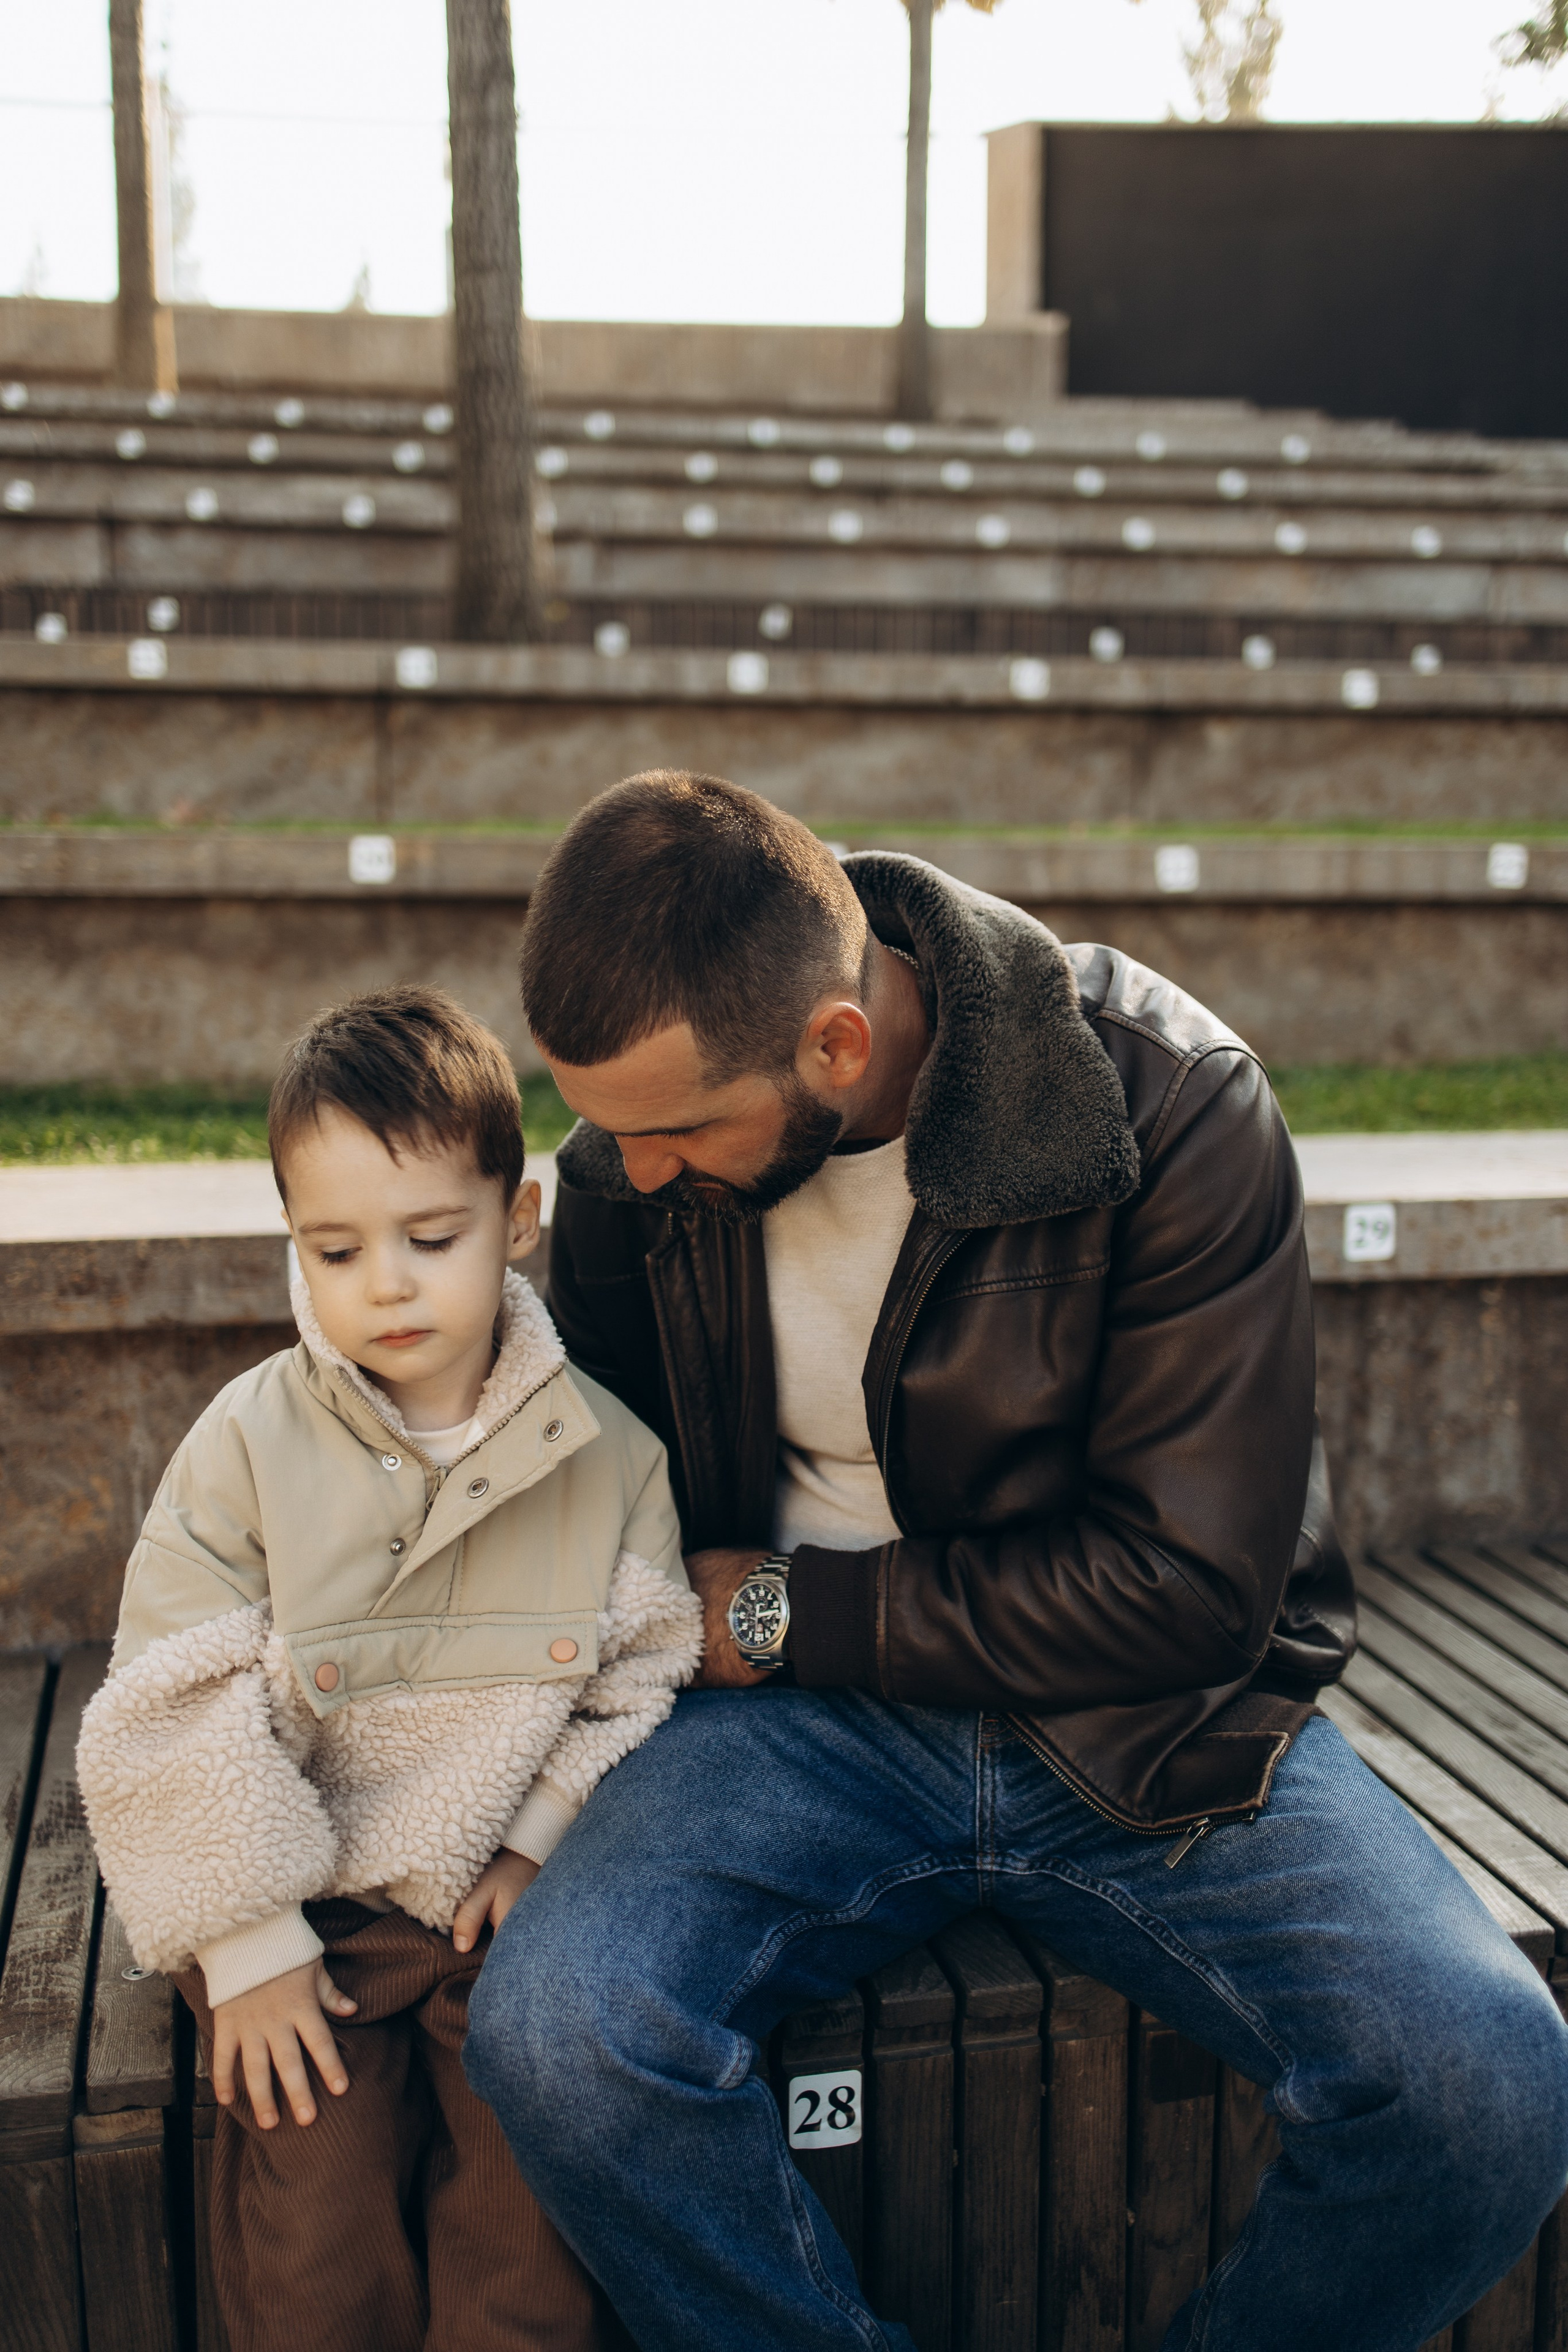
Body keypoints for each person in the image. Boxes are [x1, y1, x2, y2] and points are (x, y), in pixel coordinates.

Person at [464, 772, 1568, 2352]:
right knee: (561, 2039)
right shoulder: (622, 1177)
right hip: (793, 1737)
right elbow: (621, 1525)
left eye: (672, 1131)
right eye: (607, 1127)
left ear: (833, 1047)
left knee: (1485, 2084)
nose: (629, 1172)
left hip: (1142, 1727)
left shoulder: (1167, 1103)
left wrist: (781, 1611)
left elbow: (1188, 1590)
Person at [77, 986, 701, 2352]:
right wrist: (244, 1944)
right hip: (306, 1904)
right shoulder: (246, 1444)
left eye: (431, 1237)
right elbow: (168, 1706)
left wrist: (538, 1845)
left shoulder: (607, 1454)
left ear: (517, 1217)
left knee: (531, 2214)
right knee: (315, 2225)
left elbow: (639, 1678)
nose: (388, 1285)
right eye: (336, 1250)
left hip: (498, 1910)